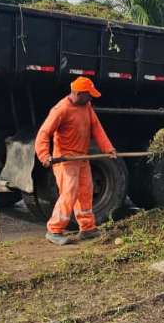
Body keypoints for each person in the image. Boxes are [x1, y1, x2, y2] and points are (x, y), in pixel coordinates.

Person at [34, 77, 117, 245]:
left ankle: (87, 228)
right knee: (69, 193)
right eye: (89, 94)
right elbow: (44, 133)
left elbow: (96, 128)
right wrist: (44, 155)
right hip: (66, 159)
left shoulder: (87, 106)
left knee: (86, 191)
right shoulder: (61, 109)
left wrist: (108, 148)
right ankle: (54, 230)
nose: (91, 98)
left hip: (82, 158)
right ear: (79, 94)